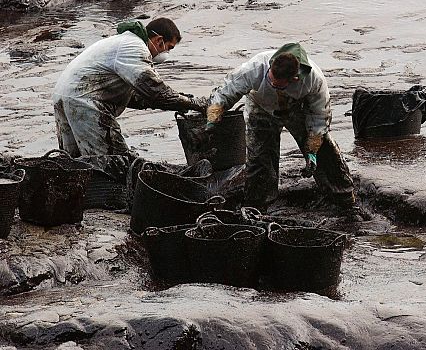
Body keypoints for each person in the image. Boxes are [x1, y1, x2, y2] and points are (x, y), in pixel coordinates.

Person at [201, 43, 364, 221]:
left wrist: (312, 152)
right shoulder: (255, 68)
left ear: (294, 79)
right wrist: (211, 122)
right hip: (261, 108)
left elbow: (319, 117)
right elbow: (225, 93)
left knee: (326, 153)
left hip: (298, 109)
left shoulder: (313, 81)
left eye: (277, 84)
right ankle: (257, 207)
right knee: (260, 159)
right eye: (269, 79)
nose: (271, 83)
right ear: (270, 66)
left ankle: (346, 202)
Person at [52, 17, 205, 159]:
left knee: (74, 160)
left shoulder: (121, 41)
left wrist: (179, 99)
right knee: (113, 161)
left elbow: (135, 96)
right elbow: (156, 93)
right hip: (85, 101)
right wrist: (194, 103)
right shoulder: (135, 48)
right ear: (159, 40)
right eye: (169, 48)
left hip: (63, 96)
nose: (167, 53)